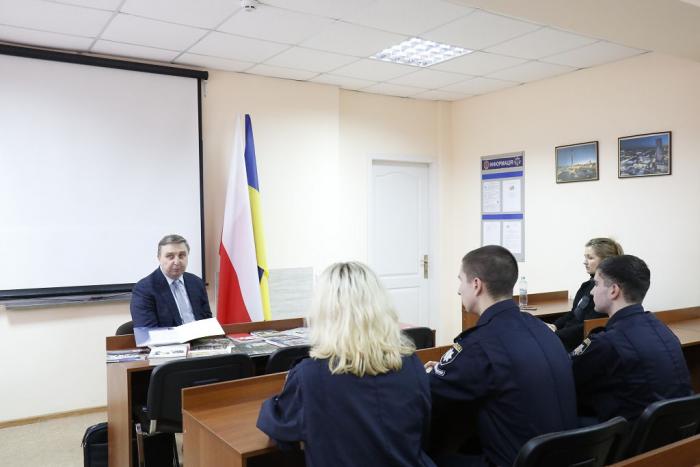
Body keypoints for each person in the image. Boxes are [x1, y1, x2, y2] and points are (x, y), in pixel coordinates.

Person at [257, 262, 436, 467]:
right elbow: (423, 430)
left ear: (324, 313)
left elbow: (281, 433)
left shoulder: (309, 376)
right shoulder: (412, 365)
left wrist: (279, 397)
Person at [426, 245, 577, 467]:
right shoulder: (541, 328)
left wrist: (436, 370)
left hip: (516, 462)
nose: (458, 290)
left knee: (424, 457)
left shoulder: (480, 344)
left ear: (476, 285)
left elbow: (431, 391)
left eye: (461, 281)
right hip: (564, 457)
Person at [572, 254, 692, 422]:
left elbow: (567, 377)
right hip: (674, 430)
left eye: (596, 284)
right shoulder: (663, 330)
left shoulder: (607, 342)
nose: (592, 291)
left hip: (631, 434)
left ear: (613, 290)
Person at [549, 238, 624, 352]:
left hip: (575, 344)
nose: (585, 262)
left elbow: (588, 327)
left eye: (590, 258)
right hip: (564, 336)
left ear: (606, 261)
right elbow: (573, 313)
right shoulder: (586, 286)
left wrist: (555, 335)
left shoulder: (606, 291)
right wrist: (554, 326)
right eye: (585, 257)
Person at [130, 234, 212, 328]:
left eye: (182, 255)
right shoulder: (144, 289)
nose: (177, 262)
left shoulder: (196, 282)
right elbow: (148, 331)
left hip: (200, 336)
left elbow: (207, 321)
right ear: (159, 258)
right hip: (168, 338)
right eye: (170, 256)